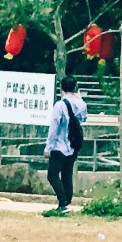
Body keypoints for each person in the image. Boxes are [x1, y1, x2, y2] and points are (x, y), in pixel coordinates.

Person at [44, 77, 88, 216]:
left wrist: (48, 147)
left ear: (61, 88)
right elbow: (84, 119)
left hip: (59, 146)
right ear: (76, 88)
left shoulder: (60, 105)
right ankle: (67, 203)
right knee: (67, 176)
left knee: (52, 175)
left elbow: (54, 127)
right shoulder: (82, 104)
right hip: (73, 146)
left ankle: (62, 202)